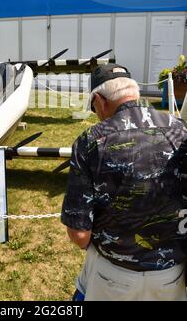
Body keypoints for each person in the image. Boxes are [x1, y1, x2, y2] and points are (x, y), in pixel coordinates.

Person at [61, 63, 187, 301]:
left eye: (93, 107)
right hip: (172, 276)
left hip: (114, 277)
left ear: (99, 100)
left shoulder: (91, 141)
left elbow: (79, 235)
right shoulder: (180, 130)